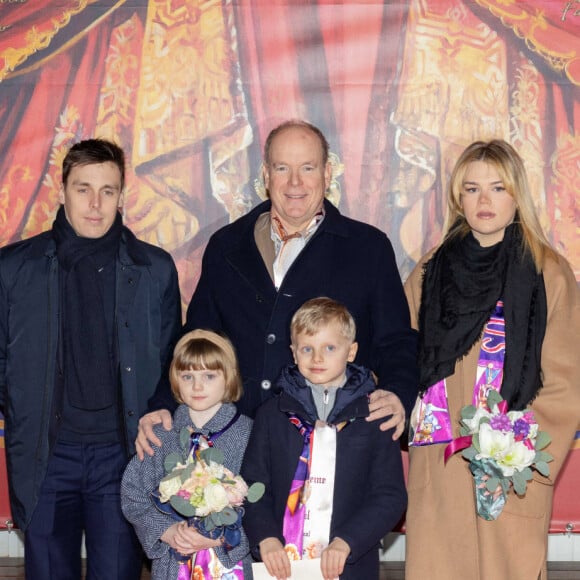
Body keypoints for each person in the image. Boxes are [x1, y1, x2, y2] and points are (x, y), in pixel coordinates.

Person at [136, 119, 418, 458]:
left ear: (328, 174)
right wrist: (164, 404)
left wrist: (398, 393)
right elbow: (197, 340)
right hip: (235, 447)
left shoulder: (368, 248)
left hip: (334, 448)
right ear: (266, 176)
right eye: (282, 168)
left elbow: (396, 341)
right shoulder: (226, 247)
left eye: (308, 168)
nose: (295, 182)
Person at [0, 139, 182, 579]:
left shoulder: (154, 269)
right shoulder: (13, 268)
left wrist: (156, 414)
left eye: (108, 190)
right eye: (83, 189)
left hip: (122, 456)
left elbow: (172, 363)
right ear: (61, 191)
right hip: (45, 455)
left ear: (122, 195)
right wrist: (22, 413)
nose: (96, 204)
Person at [404, 139, 580, 579]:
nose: (484, 200)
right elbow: (401, 358)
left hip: (510, 465)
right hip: (440, 465)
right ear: (456, 199)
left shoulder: (549, 273)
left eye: (497, 188)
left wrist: (514, 450)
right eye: (471, 188)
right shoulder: (429, 271)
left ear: (517, 193)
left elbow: (566, 383)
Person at [241, 297, 407, 580]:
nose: (317, 358)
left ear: (351, 351)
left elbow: (390, 496)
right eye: (307, 348)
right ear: (293, 353)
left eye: (329, 348)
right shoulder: (271, 415)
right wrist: (266, 538)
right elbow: (253, 486)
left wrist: (348, 541)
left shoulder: (376, 416)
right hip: (282, 564)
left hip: (349, 565)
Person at [121, 329, 254, 579]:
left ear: (229, 377)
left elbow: (263, 503)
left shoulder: (249, 433)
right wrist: (168, 531)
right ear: (175, 381)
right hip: (174, 562)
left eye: (209, 375)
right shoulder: (161, 435)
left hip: (229, 564)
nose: (197, 386)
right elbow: (133, 493)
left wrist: (220, 539)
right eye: (187, 376)